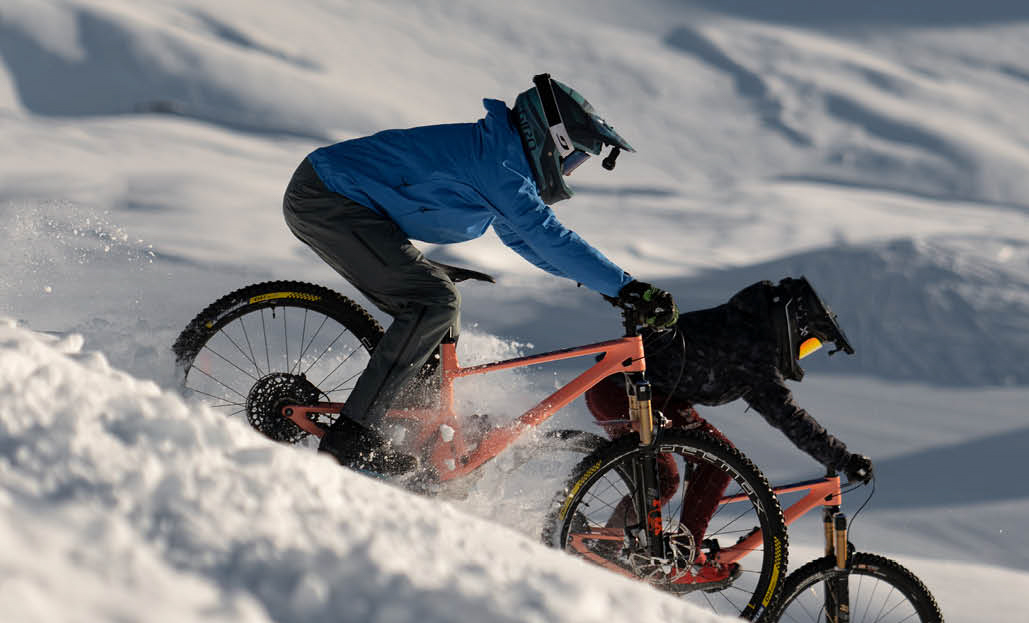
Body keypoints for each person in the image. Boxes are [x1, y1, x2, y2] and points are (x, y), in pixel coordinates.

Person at [284, 74, 678, 474]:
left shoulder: (501, 158)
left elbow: (527, 244)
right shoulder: (501, 165)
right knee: (434, 301)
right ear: (550, 140)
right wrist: (627, 287)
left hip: (348, 202)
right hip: (327, 196)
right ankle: (351, 436)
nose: (571, 172)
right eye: (574, 159)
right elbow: (547, 236)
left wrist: (610, 289)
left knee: (440, 316)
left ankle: (415, 435)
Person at [585, 277, 873, 573]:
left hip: (611, 388)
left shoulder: (743, 324)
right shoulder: (751, 345)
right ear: (791, 322)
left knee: (663, 480)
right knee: (718, 461)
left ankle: (603, 551)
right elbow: (785, 414)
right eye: (808, 342)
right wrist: (841, 458)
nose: (801, 352)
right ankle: (686, 557)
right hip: (628, 393)